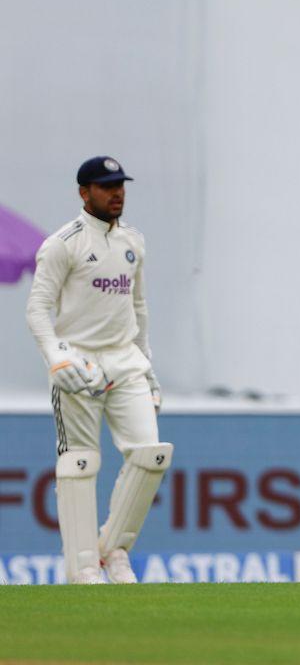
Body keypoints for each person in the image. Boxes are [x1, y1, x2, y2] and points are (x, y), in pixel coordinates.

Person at [25, 156, 171, 585]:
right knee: (80, 461)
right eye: (106, 186)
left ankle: (114, 550)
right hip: (80, 361)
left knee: (151, 456)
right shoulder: (62, 244)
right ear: (84, 192)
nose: (117, 193)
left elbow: (138, 307)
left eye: (120, 185)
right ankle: (83, 566)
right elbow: (37, 309)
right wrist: (56, 357)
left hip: (126, 359)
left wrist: (149, 370)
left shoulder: (133, 241)